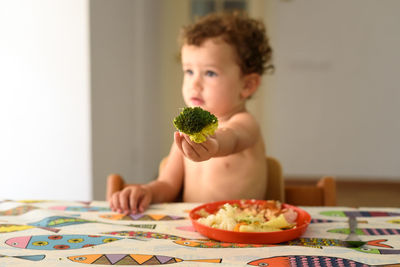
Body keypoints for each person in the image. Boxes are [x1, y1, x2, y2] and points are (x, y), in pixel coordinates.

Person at [109, 11, 274, 214]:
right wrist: (147, 191)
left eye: (210, 73)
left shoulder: (246, 123)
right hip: (194, 236)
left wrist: (214, 144)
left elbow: (232, 137)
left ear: (247, 85)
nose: (195, 83)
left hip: (242, 234)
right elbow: (168, 185)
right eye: (189, 71)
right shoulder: (186, 134)